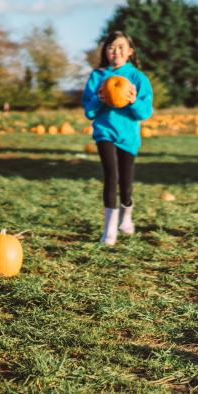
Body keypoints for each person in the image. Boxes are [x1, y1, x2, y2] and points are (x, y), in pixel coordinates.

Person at [82, 31, 154, 246]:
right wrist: (99, 99)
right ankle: (109, 229)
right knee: (111, 176)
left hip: (129, 137)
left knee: (126, 183)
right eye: (111, 47)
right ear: (105, 51)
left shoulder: (137, 78)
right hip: (105, 133)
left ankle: (126, 216)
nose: (116, 51)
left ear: (130, 52)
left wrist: (133, 101)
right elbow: (89, 111)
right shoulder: (97, 76)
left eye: (121, 47)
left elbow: (144, 113)